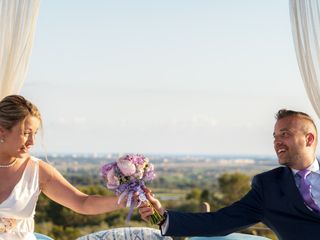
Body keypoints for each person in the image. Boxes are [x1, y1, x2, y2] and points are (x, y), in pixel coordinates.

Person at [139, 109, 320, 240]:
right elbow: (218, 222)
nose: (277, 141)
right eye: (275, 136)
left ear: (309, 139)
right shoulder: (268, 187)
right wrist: (162, 217)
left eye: (285, 134)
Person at [0, 95, 125, 240]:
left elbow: (82, 202)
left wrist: (123, 200)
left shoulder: (37, 171)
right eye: (26, 133)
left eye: (34, 134)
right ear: (1, 131)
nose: (32, 142)